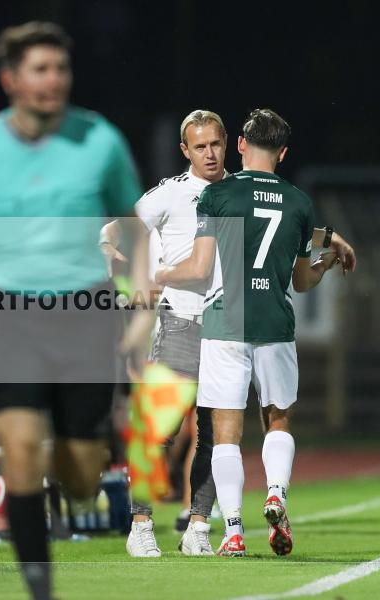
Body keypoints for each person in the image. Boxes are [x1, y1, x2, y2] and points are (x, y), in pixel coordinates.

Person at [0, 22, 142, 600]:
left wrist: (141, 301)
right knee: (18, 447)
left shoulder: (101, 141)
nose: (54, 80)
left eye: (61, 69)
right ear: (10, 80)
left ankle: (72, 440)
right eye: (41, 69)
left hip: (87, 316)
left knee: (79, 478)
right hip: (10, 316)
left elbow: (136, 225)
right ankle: (39, 589)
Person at [156, 108, 355, 558]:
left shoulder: (217, 194)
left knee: (225, 434)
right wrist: (327, 259)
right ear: (282, 153)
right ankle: (276, 495)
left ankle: (232, 532)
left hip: (226, 322)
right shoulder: (300, 203)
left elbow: (200, 269)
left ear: (240, 145)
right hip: (275, 324)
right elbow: (302, 281)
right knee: (277, 419)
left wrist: (158, 274)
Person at [104, 109, 229, 558]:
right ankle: (140, 524)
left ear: (227, 143)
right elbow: (111, 233)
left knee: (217, 435)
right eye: (200, 146)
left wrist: (325, 238)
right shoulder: (171, 195)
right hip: (180, 322)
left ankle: (198, 527)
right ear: (185, 150)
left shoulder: (241, 191)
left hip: (229, 330)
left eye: (215, 144)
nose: (210, 153)